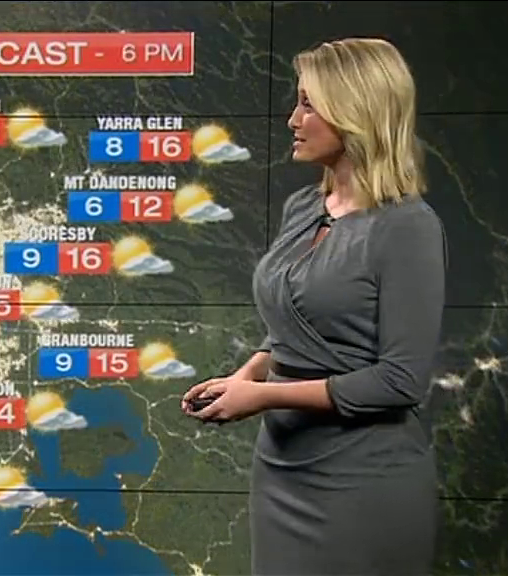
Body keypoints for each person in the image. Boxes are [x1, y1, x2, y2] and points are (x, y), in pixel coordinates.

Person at [182, 37, 447, 576]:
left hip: (362, 485)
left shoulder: (408, 228)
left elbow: (401, 381)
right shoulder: (303, 207)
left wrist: (263, 396)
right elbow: (295, 321)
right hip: (281, 472)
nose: (292, 120)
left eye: (308, 104)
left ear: (356, 112)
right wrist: (247, 375)